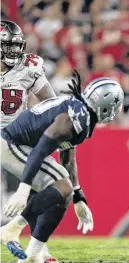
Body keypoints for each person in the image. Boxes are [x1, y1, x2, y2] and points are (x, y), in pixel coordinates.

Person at [1, 74, 124, 263]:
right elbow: (42, 148)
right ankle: (12, 230)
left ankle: (35, 254)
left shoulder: (81, 112)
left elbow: (67, 157)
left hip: (24, 147)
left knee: (64, 193)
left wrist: (79, 198)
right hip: (11, 144)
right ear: (105, 105)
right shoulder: (77, 116)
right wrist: (23, 189)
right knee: (63, 187)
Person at [0, 19, 59, 262]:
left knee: (42, 188)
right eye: (8, 46)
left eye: (17, 46)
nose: (14, 52)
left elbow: (50, 101)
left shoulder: (28, 67)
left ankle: (38, 249)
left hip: (13, 138)